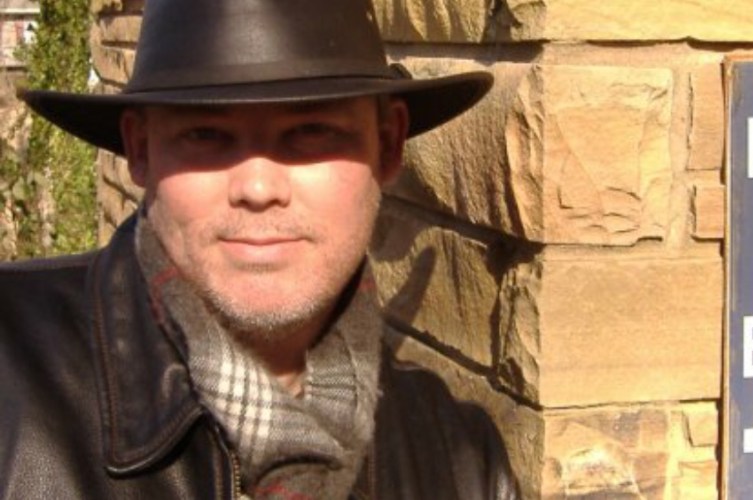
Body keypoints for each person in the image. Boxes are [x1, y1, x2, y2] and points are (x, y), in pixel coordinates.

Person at [0, 0, 517, 498]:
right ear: (140, 149)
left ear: (387, 144)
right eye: (206, 133)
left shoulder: (462, 465)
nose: (258, 187)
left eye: (311, 130)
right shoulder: (13, 381)